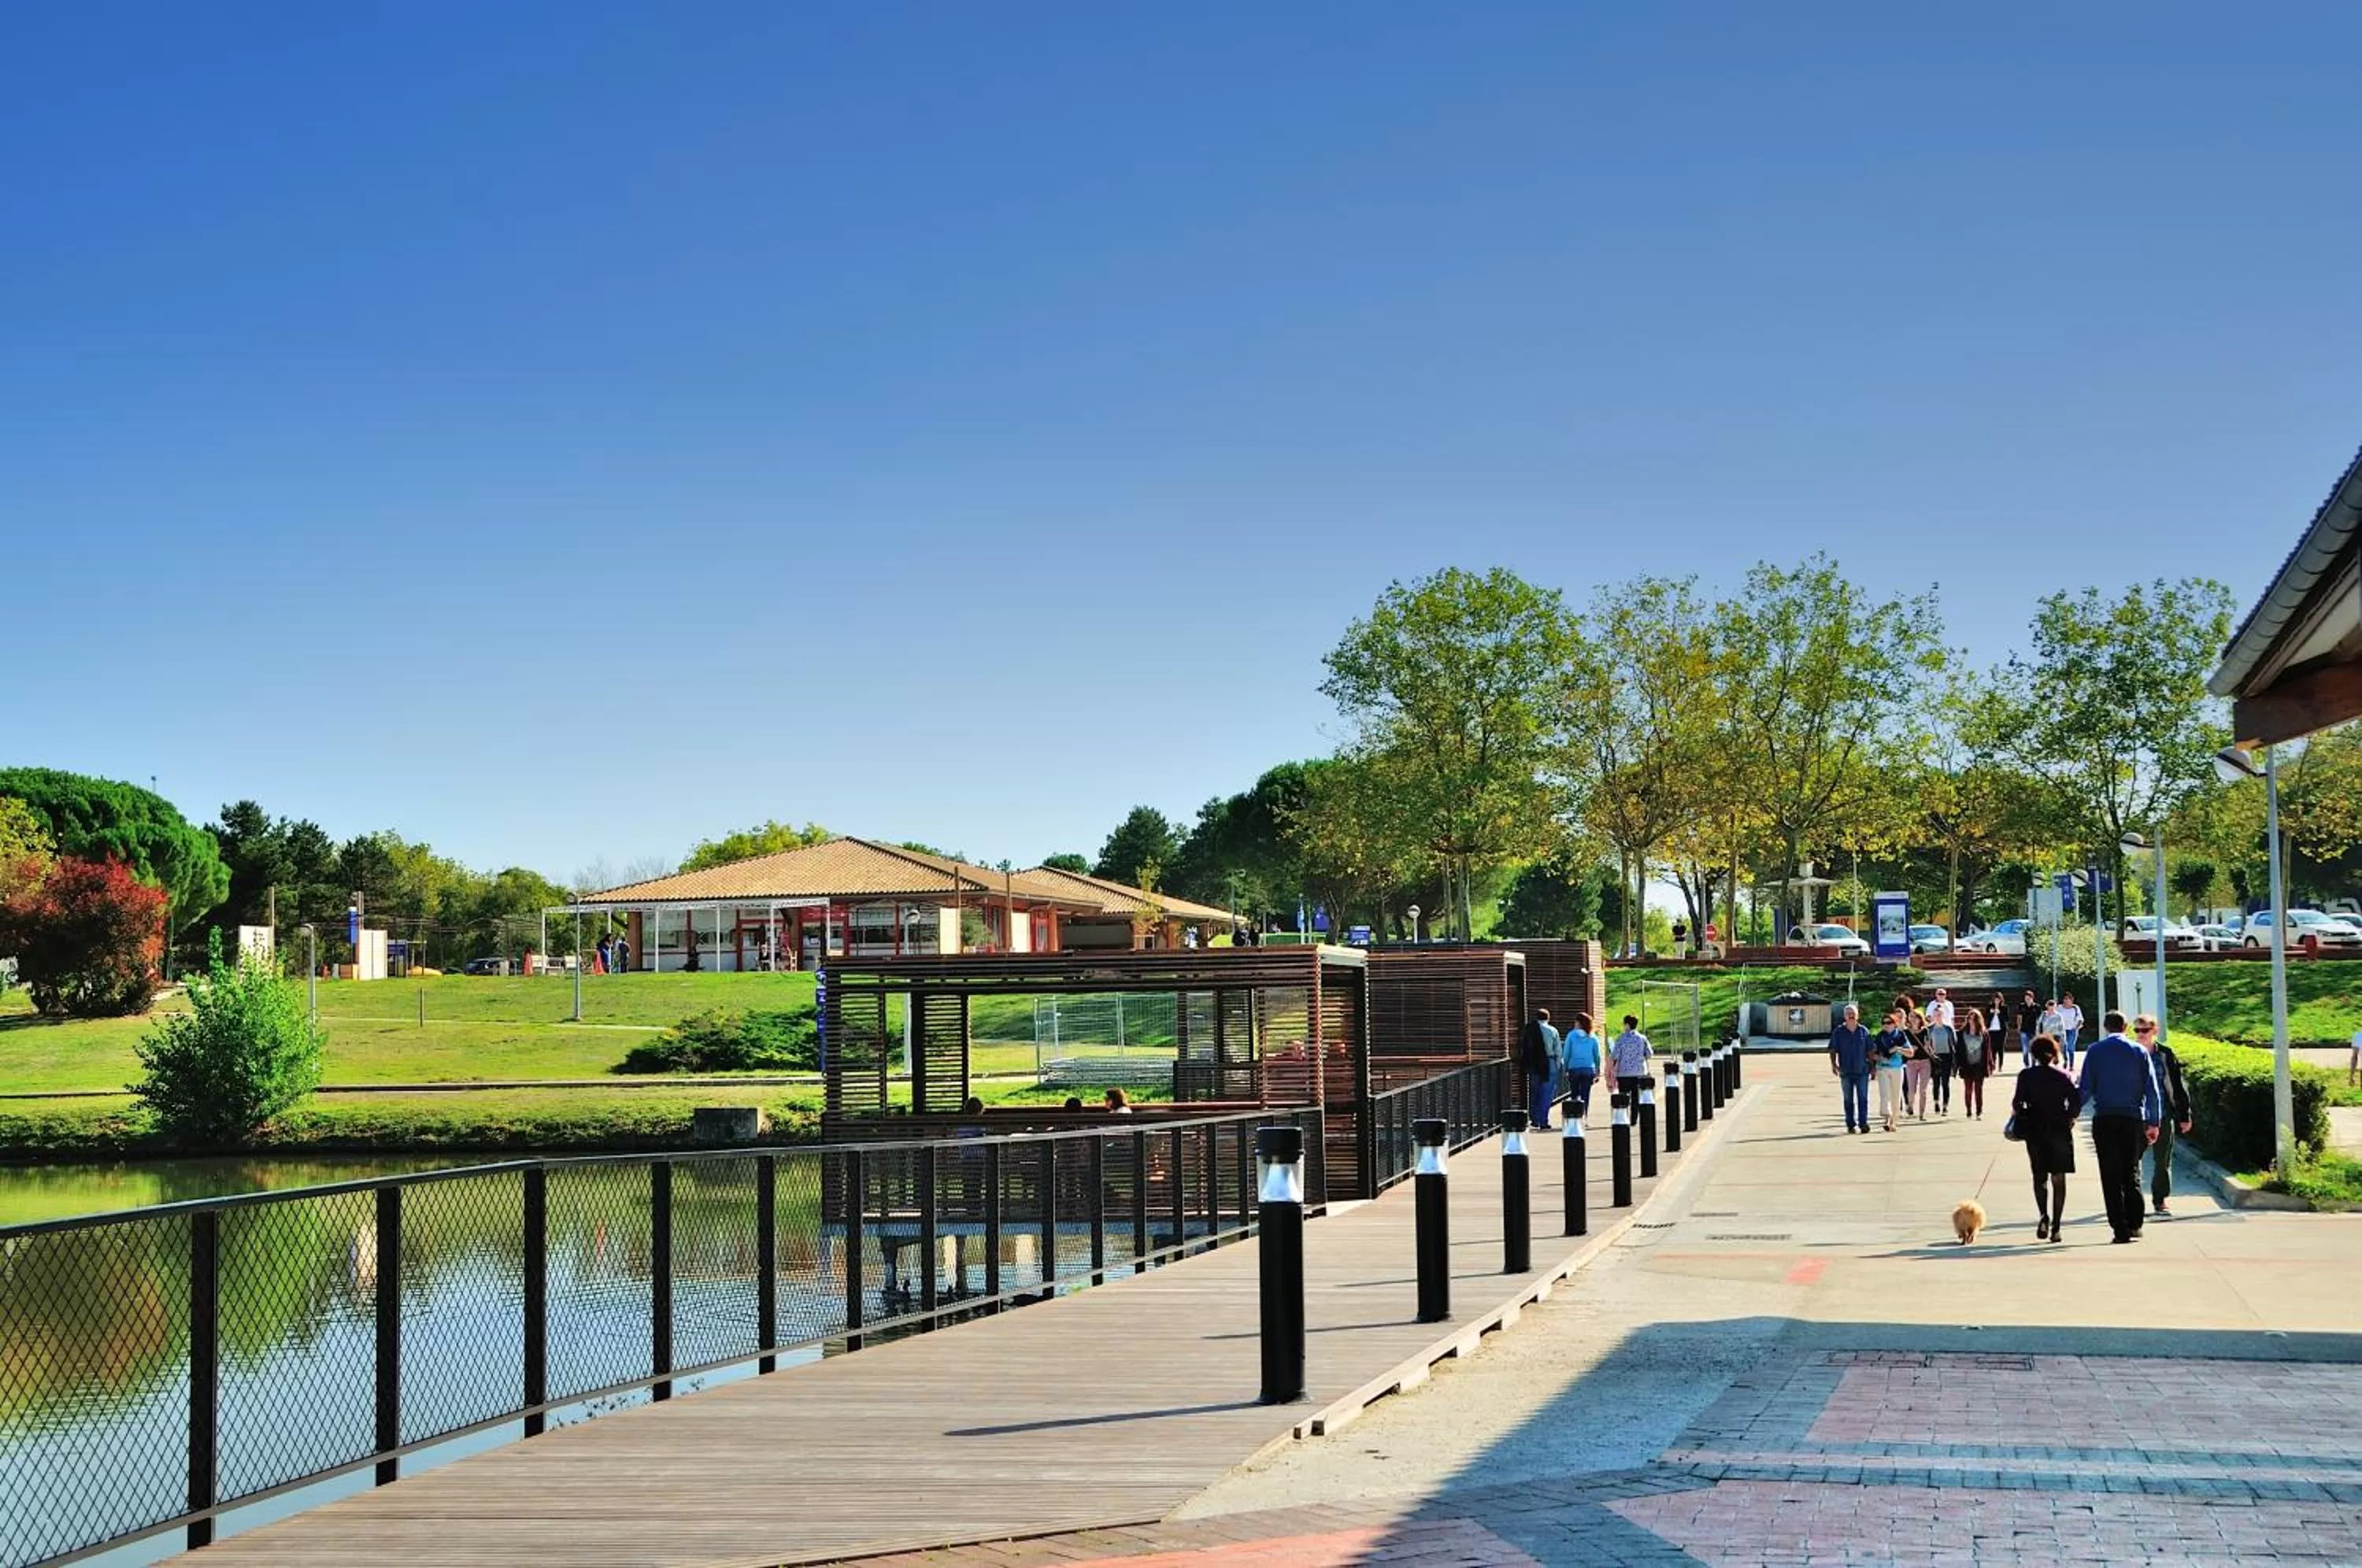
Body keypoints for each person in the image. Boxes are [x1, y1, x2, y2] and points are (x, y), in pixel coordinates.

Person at [2079, 1009, 2162, 1244]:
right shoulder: (2139, 1051)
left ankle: (2119, 1228)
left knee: (2110, 1175)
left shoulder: (2095, 1051)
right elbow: (2151, 1089)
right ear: (2126, 1028)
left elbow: (2086, 1087)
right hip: (2133, 1119)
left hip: (2105, 1118)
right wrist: (2154, 1122)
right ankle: (2135, 1223)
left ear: (2105, 1027)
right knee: (2131, 1172)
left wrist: (2071, 1112)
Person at [2012, 1034, 2080, 1243]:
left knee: (2039, 1176)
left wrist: (2025, 1115)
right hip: (2059, 1129)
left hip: (2035, 1130)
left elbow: (2017, 1103)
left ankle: (2043, 1215)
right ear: (2054, 1054)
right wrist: (2070, 1117)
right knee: (2058, 1178)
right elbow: (2075, 1102)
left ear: (2034, 1054)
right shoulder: (2063, 1076)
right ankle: (2057, 1227)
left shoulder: (2026, 1076)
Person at [2137, 1016, 2191, 1217]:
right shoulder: (2131, 1053)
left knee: (2162, 1161)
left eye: (2145, 1030)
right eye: (2137, 1030)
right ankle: (2134, 1201)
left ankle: (2160, 1200)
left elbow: (2177, 1086)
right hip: (2138, 1116)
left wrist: (2184, 1115)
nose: (2141, 1034)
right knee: (2134, 1160)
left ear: (2155, 1031)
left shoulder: (2165, 1055)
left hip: (2163, 1114)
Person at [1828, 1002, 1872, 1133]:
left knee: (1863, 1098)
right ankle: (1850, 1124)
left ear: (1858, 1015)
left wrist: (1873, 1067)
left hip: (1862, 1070)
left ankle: (1863, 1123)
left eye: (1853, 1013)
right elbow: (1833, 1049)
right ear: (1844, 1016)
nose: (1851, 1016)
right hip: (1846, 1070)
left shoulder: (1864, 1031)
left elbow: (1870, 1050)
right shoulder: (1838, 1032)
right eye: (1848, 1014)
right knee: (1848, 1099)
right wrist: (1834, 1064)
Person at [1519, 1007, 1562, 1130]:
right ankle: (1543, 1120)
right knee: (1546, 1093)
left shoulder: (1530, 1029)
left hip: (1534, 1064)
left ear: (1536, 1017)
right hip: (1549, 1062)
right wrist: (1557, 1065)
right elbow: (1558, 1050)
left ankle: (1534, 1119)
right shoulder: (1552, 1030)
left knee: (1535, 1092)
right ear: (1548, 1018)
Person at [1560, 1010, 1604, 1124]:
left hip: (1574, 1068)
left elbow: (1566, 1053)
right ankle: (1584, 1118)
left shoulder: (1571, 1035)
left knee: (1574, 1094)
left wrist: (1565, 1068)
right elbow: (1597, 1055)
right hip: (1588, 1068)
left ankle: (1574, 1118)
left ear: (1578, 1023)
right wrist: (1598, 1068)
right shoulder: (1592, 1036)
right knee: (1585, 1094)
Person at [1874, 1009, 1912, 1132]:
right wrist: (1879, 1057)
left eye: (1889, 1023)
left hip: (1897, 1068)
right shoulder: (1880, 1037)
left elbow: (1910, 1053)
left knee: (1896, 1095)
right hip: (1883, 1068)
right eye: (1884, 1023)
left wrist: (1899, 1049)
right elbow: (1873, 1054)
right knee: (1885, 1094)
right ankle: (1887, 1117)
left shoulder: (1900, 1036)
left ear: (1895, 1024)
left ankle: (1894, 1122)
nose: (1886, 1025)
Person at [1925, 989, 1957, 1117]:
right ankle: (1936, 1102)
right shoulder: (1929, 1029)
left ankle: (1945, 1106)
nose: (1938, 1016)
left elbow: (1954, 1044)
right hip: (1934, 1057)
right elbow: (1927, 1044)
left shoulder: (1949, 1029)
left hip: (1947, 1056)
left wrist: (1955, 1060)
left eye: (1940, 1015)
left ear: (1943, 1015)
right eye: (1936, 1015)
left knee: (1945, 1082)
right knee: (1936, 1082)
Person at [1901, 997, 1933, 1121]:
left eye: (1915, 1017)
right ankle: (1910, 1106)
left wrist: (1927, 1048)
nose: (1913, 1019)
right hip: (1911, 1063)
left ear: (1920, 1019)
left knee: (1923, 1090)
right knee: (1911, 1089)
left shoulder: (1926, 1031)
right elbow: (1903, 1046)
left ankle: (1922, 1114)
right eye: (1911, 1017)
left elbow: (1929, 1045)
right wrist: (1910, 1049)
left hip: (1925, 1062)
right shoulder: (1906, 1032)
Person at [1957, 1006, 1991, 1119]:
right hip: (1967, 1066)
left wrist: (1989, 1065)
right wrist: (1957, 1066)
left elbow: (1988, 1051)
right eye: (1969, 1019)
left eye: (1974, 1019)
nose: (1971, 1021)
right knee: (1968, 1089)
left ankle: (1979, 1111)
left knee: (1978, 1090)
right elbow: (1958, 1051)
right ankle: (1968, 1110)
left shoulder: (1984, 1034)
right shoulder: (1962, 1033)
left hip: (1979, 1066)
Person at [1610, 1015, 1653, 1100]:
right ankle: (1635, 1109)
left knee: (1623, 1098)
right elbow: (1649, 1054)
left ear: (1627, 1025)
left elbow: (1615, 1055)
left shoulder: (1621, 1039)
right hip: (1639, 1072)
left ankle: (1624, 1108)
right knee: (1637, 1099)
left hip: (1624, 1073)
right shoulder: (1642, 1038)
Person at [2016, 989, 2042, 1070]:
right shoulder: (2022, 1006)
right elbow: (2019, 1017)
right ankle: (2026, 1064)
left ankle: (2033, 1064)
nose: (2027, 1000)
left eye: (2029, 998)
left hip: (2034, 1030)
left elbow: (2040, 1019)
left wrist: (2039, 1029)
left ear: (2032, 998)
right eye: (2026, 998)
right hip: (2024, 1029)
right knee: (2025, 1048)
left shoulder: (2037, 1007)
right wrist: (2019, 1026)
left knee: (2034, 1048)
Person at [2057, 993, 2085, 1069]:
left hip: (2072, 1030)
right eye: (2065, 999)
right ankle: (2066, 1060)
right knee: (2063, 1047)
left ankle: (2071, 1065)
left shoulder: (2075, 1008)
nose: (2066, 1001)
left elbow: (2081, 1019)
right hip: (2062, 1030)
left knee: (2071, 1047)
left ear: (2072, 1000)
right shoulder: (2059, 1008)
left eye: (2068, 999)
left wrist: (2077, 1027)